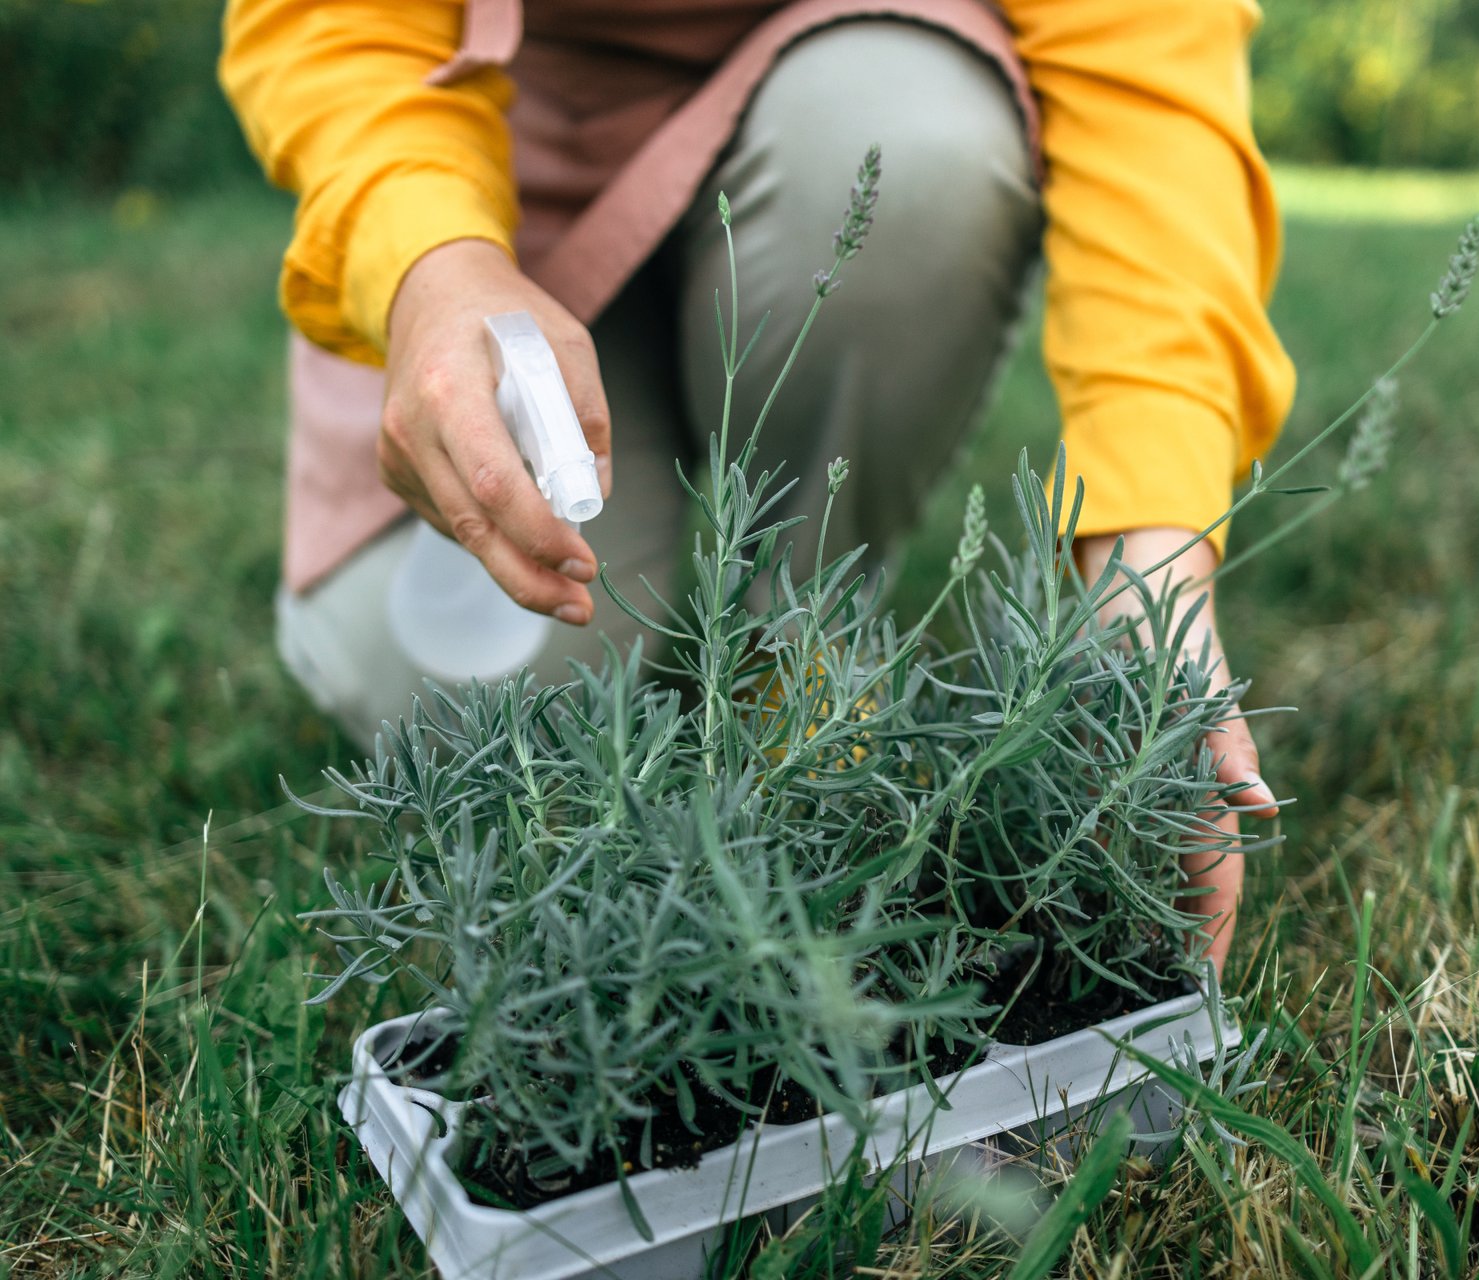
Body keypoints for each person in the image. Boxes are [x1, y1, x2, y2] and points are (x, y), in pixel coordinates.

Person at [220, 0, 1296, 974]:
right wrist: (427, 263)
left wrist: (1152, 571)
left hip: (834, 116)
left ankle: (800, 645)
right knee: (478, 725)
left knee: (912, 155)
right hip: (483, 162)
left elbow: (1145, 53)